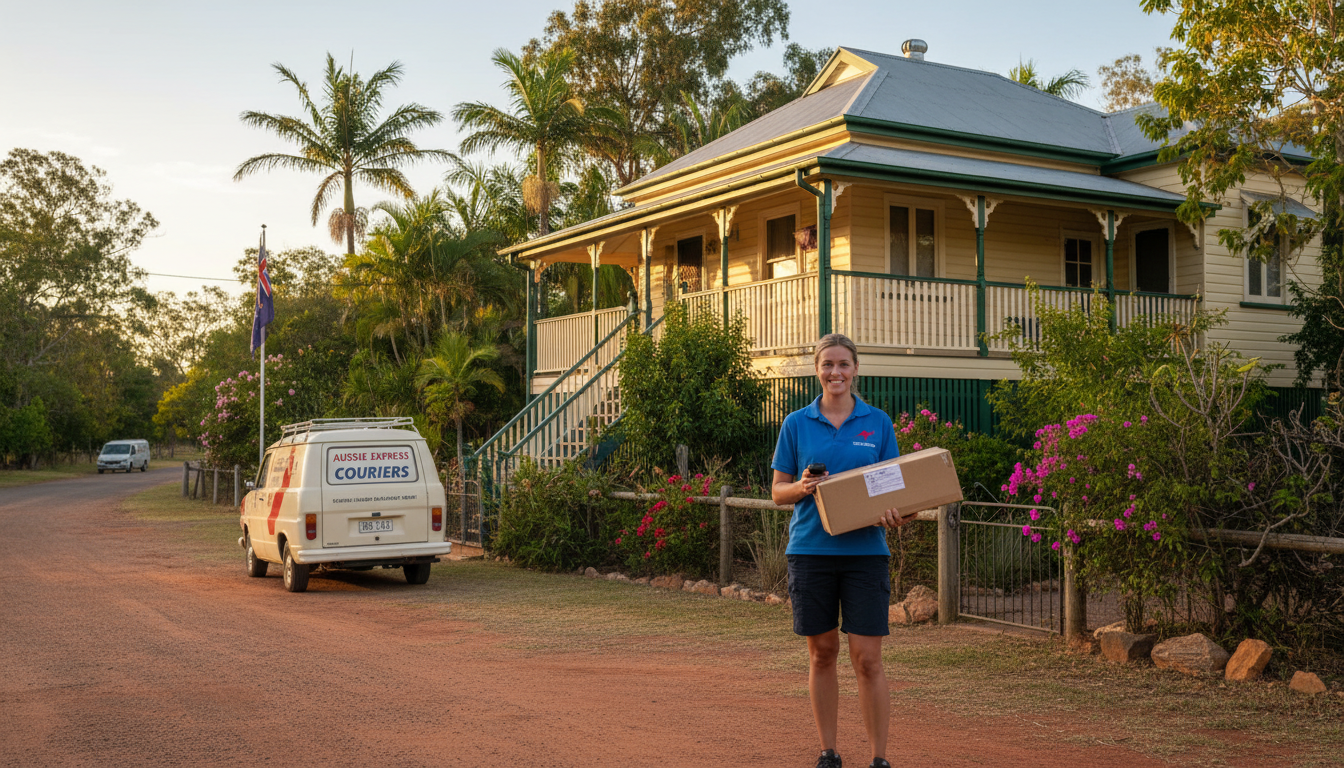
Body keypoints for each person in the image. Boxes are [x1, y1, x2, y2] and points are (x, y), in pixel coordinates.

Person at [771, 333, 907, 768]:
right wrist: (803, 487)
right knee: (822, 652)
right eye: (828, 364)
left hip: (867, 554)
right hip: (811, 551)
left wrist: (896, 514)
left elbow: (896, 489)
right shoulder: (796, 423)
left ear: (855, 369)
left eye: (843, 364)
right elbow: (778, 492)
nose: (836, 372)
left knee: (867, 659)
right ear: (817, 369)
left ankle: (879, 759)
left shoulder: (878, 423)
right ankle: (828, 752)